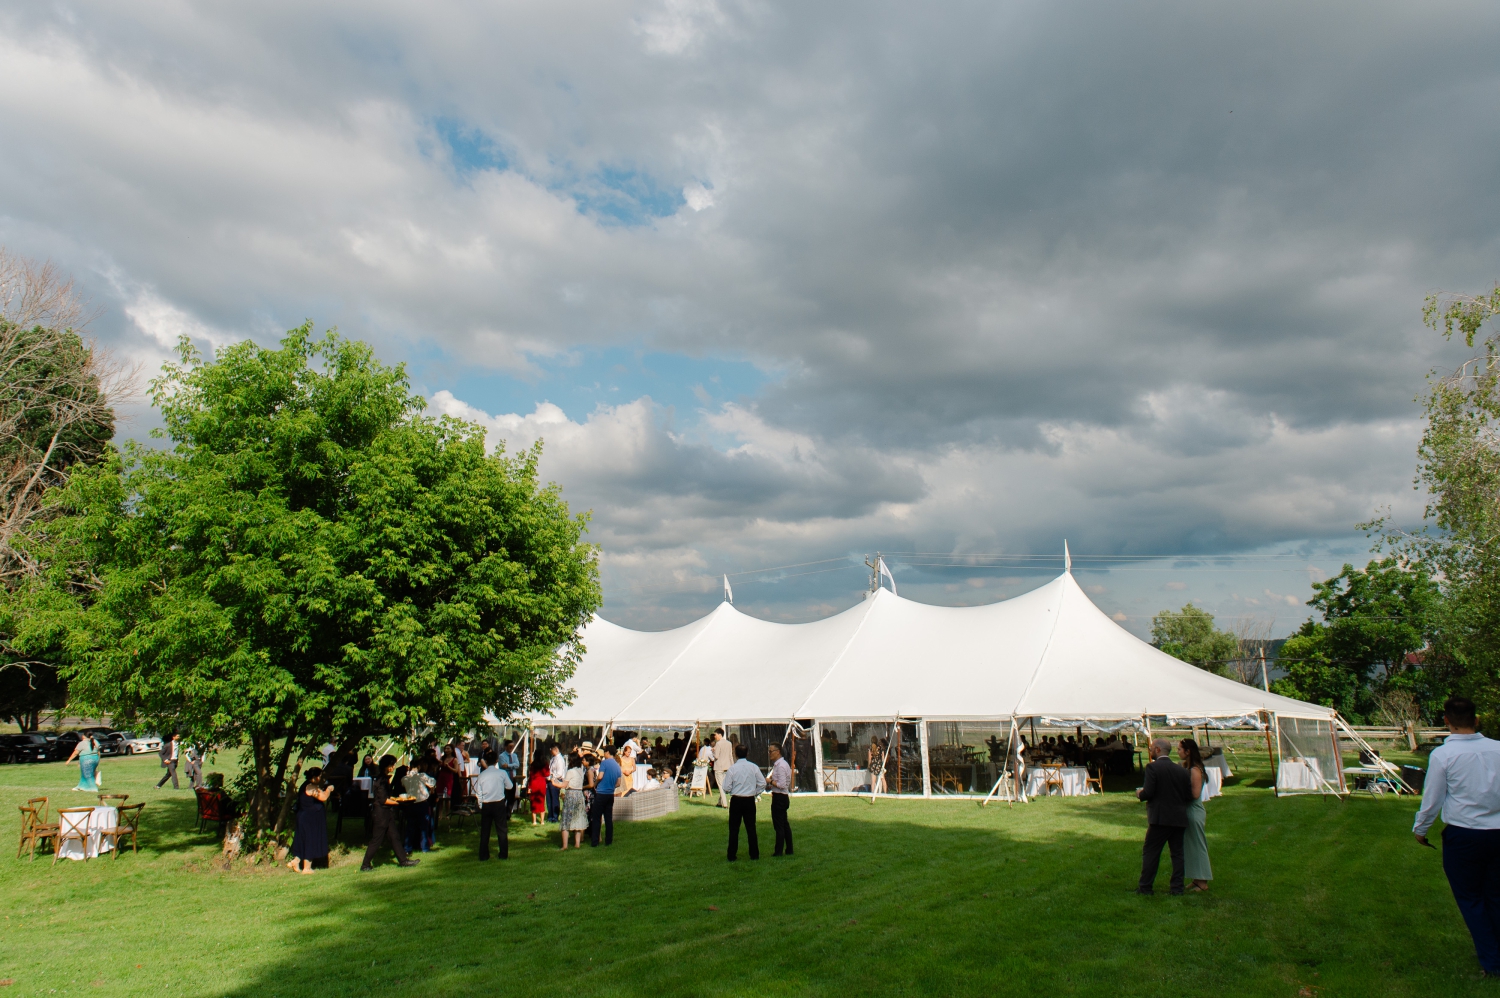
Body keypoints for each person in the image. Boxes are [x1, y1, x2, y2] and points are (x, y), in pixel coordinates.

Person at [1414, 696, 1500, 976]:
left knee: (1471, 899)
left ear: (1446, 721)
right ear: (1476, 720)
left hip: (1465, 835)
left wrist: (1421, 829)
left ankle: (1493, 961)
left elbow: (1433, 798)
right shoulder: (1498, 749)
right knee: (1495, 896)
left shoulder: (1443, 755)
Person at [1135, 737, 1193, 895]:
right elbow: (1188, 795)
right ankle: (1177, 888)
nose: (1150, 750)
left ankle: (1145, 887)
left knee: (1151, 852)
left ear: (1158, 750)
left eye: (1152, 748)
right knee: (1177, 854)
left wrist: (1140, 794)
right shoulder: (1181, 770)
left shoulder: (1152, 768)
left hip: (1160, 818)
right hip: (1179, 817)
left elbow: (1149, 792)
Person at [360, 755, 420, 872]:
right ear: (387, 766)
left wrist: (395, 798)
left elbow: (386, 796)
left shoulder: (384, 778)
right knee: (377, 839)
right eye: (392, 765)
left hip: (386, 812)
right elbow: (383, 800)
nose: (393, 767)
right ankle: (365, 865)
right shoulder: (381, 780)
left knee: (394, 837)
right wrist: (399, 803)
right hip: (381, 813)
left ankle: (403, 861)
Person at [1177, 738, 1212, 892]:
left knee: (1198, 845)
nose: (1177, 752)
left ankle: (1203, 881)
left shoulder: (1195, 770)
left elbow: (1194, 794)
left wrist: (1176, 793)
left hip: (1193, 811)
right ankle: (1196, 879)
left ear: (1188, 751)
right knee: (1190, 846)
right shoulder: (1190, 767)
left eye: (1179, 749)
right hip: (1188, 810)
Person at [721, 744, 766, 860]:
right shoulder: (753, 767)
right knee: (751, 828)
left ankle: (731, 855)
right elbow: (762, 783)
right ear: (747, 754)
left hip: (736, 799)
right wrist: (755, 792)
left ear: (735, 754)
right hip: (749, 799)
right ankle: (754, 854)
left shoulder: (732, 769)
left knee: (734, 829)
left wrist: (733, 790)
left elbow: (725, 787)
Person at [288, 768, 334, 874]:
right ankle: (307, 868)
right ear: (314, 777)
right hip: (309, 819)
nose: (320, 778)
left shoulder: (306, 785)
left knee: (303, 840)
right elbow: (323, 797)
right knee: (310, 841)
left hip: (304, 817)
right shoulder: (311, 787)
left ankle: (296, 861)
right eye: (319, 776)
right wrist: (329, 789)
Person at [474, 750, 514, 861]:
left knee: (485, 831)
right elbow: (510, 786)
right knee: (501, 830)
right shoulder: (502, 773)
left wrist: (481, 805)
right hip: (499, 803)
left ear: (486, 761)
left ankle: (483, 855)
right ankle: (503, 854)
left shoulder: (482, 775)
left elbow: (479, 792)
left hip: (486, 804)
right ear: (497, 761)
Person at [555, 751, 590, 850]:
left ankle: (565, 845)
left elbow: (564, 785)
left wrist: (554, 783)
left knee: (566, 819)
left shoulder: (570, 771)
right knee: (578, 818)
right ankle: (577, 844)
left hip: (571, 794)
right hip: (579, 794)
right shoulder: (580, 770)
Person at [589, 746, 621, 847]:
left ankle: (595, 841)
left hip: (601, 793)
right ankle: (608, 840)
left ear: (607, 752)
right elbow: (618, 783)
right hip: (610, 794)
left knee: (596, 817)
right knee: (608, 818)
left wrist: (595, 784)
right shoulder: (617, 765)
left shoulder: (604, 763)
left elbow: (600, 776)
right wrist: (611, 786)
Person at [403, 758, 436, 853]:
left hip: (410, 803)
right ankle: (424, 847)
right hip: (421, 802)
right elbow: (432, 782)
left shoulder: (405, 777)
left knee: (410, 826)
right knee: (423, 826)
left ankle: (408, 847)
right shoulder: (421, 776)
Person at [767, 743, 794, 857]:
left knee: (779, 826)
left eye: (771, 751)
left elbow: (782, 784)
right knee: (784, 824)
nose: (769, 754)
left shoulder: (781, 765)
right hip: (780, 796)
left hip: (780, 797)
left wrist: (770, 781)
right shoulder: (778, 765)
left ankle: (778, 851)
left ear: (778, 752)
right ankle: (789, 849)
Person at [712, 729, 734, 807]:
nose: (715, 736)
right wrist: (732, 766)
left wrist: (713, 751)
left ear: (720, 734)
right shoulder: (729, 743)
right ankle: (719, 802)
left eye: (715, 735)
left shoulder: (718, 744)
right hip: (727, 766)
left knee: (721, 786)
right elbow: (730, 756)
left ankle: (724, 803)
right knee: (723, 785)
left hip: (719, 767)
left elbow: (716, 756)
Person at [546, 744, 566, 823]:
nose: (551, 751)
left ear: (556, 750)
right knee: (549, 799)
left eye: (552, 750)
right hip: (550, 780)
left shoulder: (560, 760)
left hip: (556, 780)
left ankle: (555, 816)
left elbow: (560, 773)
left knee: (554, 799)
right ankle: (550, 816)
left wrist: (551, 777)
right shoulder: (553, 758)